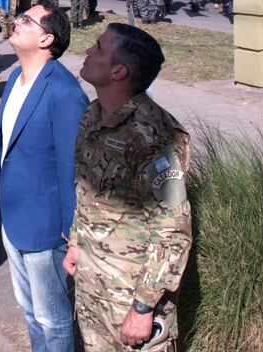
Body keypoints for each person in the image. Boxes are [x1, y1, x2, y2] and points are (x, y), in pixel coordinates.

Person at [65, 23, 192, 351]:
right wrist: (76, 242)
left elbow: (173, 233)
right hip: (94, 291)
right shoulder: (93, 117)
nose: (89, 52)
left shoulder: (153, 137)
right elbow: (87, 190)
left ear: (118, 71)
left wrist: (143, 307)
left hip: (131, 301)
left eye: (98, 48)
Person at [0, 3, 88, 352]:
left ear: (47, 38)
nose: (16, 21)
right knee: (31, 314)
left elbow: (72, 170)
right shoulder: (16, 77)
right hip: (13, 220)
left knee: (54, 321)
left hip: (46, 231)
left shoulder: (65, 93)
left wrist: (71, 234)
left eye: (26, 20)